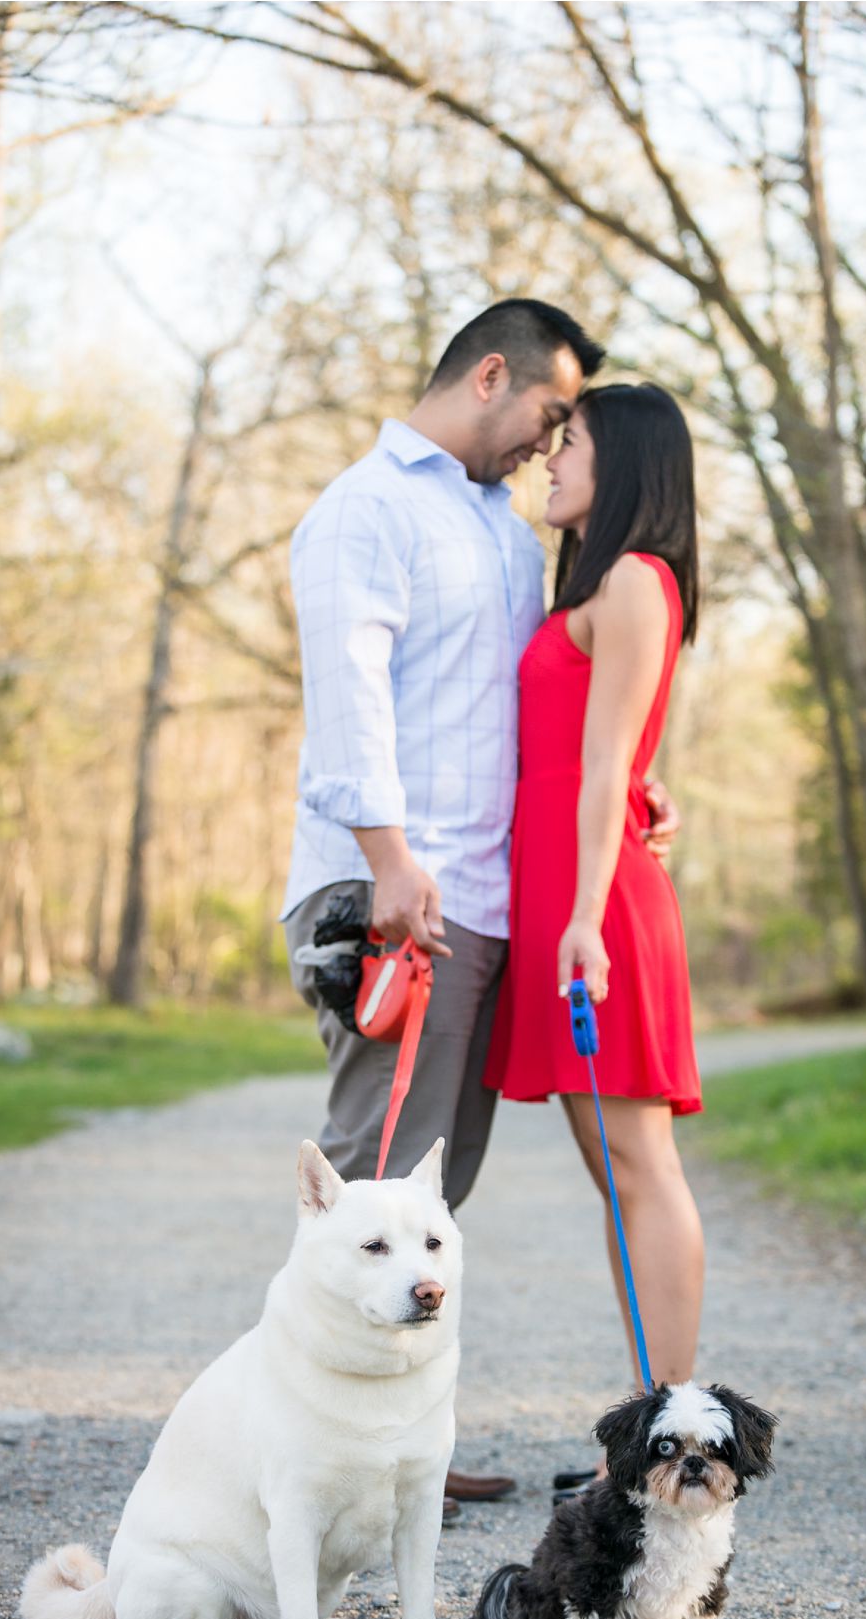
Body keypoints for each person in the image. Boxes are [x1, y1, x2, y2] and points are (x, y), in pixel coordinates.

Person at [280, 301, 679, 1510]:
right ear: (491, 375)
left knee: (430, 1195)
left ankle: (398, 1438)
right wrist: (391, 860)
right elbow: (350, 691)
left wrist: (625, 791)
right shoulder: (369, 507)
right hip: (400, 888)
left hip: (491, 899)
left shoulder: (504, 530)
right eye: (551, 415)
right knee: (363, 1181)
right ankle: (312, 1442)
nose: (551, 445)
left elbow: (531, 711)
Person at [483, 381, 705, 1415]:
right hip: (566, 894)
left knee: (638, 1160)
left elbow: (609, 763)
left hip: (598, 907)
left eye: (568, 444)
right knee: (608, 1163)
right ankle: (649, 1409)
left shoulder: (629, 580)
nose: (551, 460)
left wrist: (581, 918)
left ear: (622, 465)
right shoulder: (595, 585)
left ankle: (673, 1416)